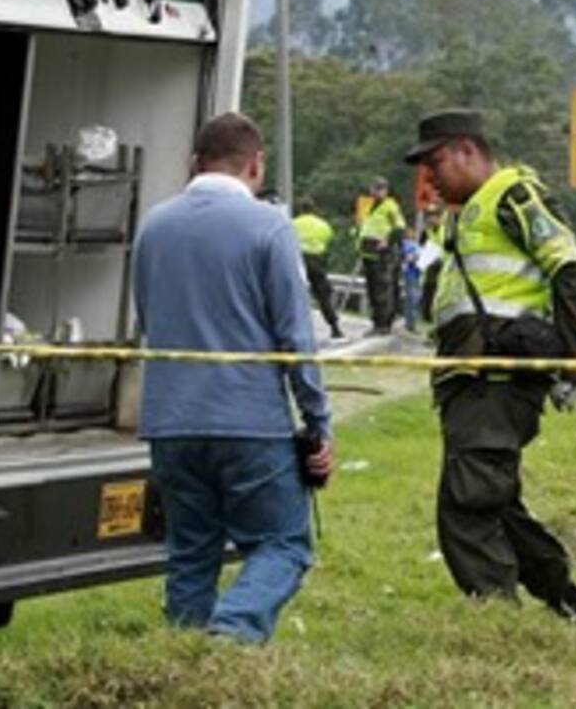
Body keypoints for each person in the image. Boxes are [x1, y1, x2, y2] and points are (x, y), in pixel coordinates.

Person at [404, 107, 576, 627]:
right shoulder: (464, 213)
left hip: (496, 381)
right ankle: (571, 603)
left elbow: (568, 270)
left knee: (468, 504)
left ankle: (498, 625)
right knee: (494, 502)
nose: (428, 178)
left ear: (467, 150)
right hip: (469, 383)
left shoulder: (513, 195)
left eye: (434, 163)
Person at [133, 112, 335, 644]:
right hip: (249, 422)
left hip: (170, 421)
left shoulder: (154, 226)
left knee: (191, 553)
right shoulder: (269, 227)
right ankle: (232, 634)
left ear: (194, 164)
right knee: (284, 545)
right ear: (256, 165)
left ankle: (184, 666)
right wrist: (317, 423)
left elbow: (148, 317)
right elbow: (296, 338)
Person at [358, 176, 406, 335]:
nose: (377, 191)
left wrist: (388, 241)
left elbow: (400, 228)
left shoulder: (390, 206)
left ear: (386, 190)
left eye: (381, 188)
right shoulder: (370, 206)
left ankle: (383, 324)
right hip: (368, 252)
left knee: (382, 288)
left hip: (382, 253)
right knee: (372, 288)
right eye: (375, 188)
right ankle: (376, 322)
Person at [293, 195, 345, 340]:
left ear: (300, 210)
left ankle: (296, 328)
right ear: (314, 209)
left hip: (298, 260)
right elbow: (328, 240)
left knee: (295, 295)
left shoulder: (293, 223)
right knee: (323, 295)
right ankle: (335, 328)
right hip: (317, 261)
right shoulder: (323, 225)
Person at [400, 233, 422, 333]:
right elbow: (410, 258)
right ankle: (411, 325)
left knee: (411, 299)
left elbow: (408, 258)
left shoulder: (409, 245)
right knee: (413, 299)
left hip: (413, 274)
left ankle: (409, 324)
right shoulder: (411, 245)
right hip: (412, 274)